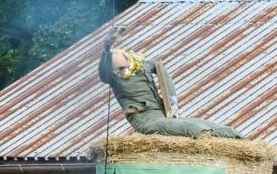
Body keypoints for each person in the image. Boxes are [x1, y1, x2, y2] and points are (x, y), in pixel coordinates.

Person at [97, 31, 243, 139]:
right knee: (194, 128)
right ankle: (205, 140)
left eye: (122, 68)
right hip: (145, 120)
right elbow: (103, 72)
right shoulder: (113, 80)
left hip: (164, 113)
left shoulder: (143, 66)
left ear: (129, 62)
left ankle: (238, 138)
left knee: (210, 125)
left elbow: (160, 68)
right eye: (115, 70)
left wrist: (172, 101)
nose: (119, 73)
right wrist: (107, 46)